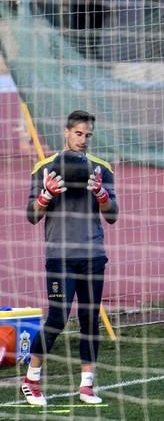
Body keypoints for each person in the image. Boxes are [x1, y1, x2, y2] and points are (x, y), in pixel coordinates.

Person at [21, 110, 119, 405]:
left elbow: (113, 216)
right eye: (78, 134)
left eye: (88, 135)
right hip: (60, 256)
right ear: (66, 132)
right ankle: (31, 380)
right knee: (58, 317)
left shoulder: (102, 168)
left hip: (93, 255)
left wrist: (102, 194)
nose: (83, 140)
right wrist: (45, 196)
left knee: (89, 319)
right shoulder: (45, 167)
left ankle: (87, 386)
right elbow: (31, 217)